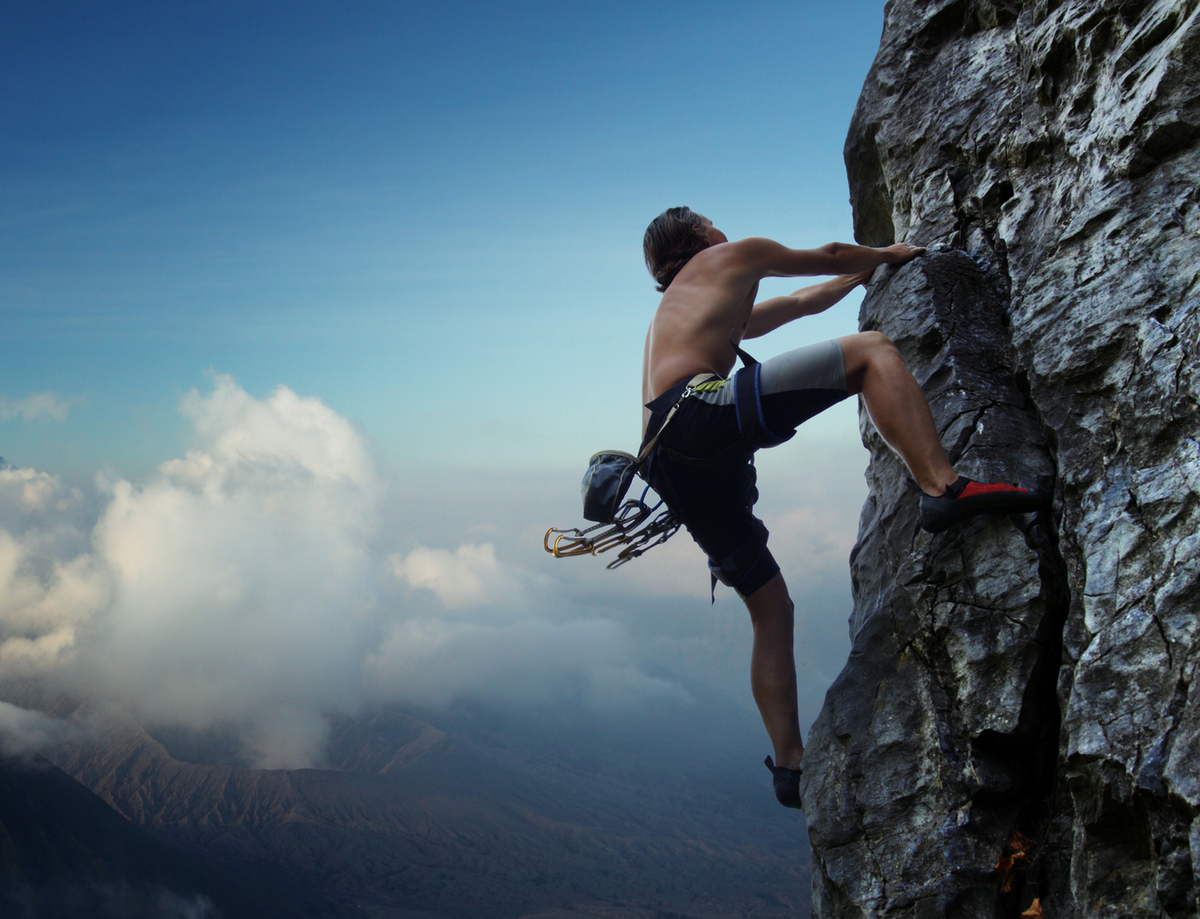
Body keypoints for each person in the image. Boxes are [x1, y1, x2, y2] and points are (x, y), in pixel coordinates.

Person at [639, 206, 1042, 809]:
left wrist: (863, 277)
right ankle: (943, 488)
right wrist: (882, 254)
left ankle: (789, 765)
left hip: (667, 461)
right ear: (695, 235)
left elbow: (803, 301)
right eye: (705, 219)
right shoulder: (726, 257)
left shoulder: (696, 306)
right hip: (697, 414)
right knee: (872, 351)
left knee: (771, 607)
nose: (717, 225)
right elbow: (827, 254)